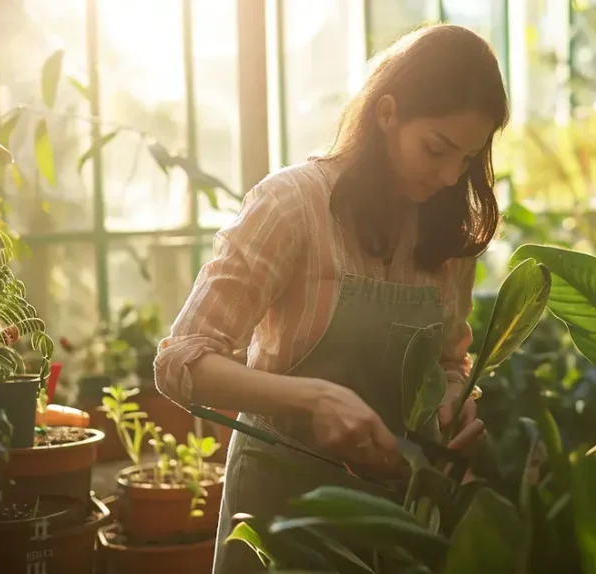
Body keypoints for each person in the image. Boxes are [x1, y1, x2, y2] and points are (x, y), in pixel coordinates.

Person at [153, 24, 508, 573]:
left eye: (466, 159)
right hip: (278, 512)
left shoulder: (446, 236)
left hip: (396, 514)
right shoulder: (292, 205)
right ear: (387, 113)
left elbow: (448, 361)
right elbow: (181, 361)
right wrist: (311, 398)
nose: (448, 176)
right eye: (436, 149)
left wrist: (455, 406)